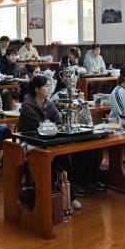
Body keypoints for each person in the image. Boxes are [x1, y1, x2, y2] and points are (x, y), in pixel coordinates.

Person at [19, 76, 82, 209]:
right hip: (31, 142)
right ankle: (46, 197)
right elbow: (34, 128)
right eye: (46, 86)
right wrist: (49, 127)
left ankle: (68, 197)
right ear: (37, 89)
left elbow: (59, 121)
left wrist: (49, 127)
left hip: (50, 140)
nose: (49, 88)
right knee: (49, 159)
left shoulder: (49, 104)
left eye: (49, 85)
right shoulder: (27, 106)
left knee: (65, 158)